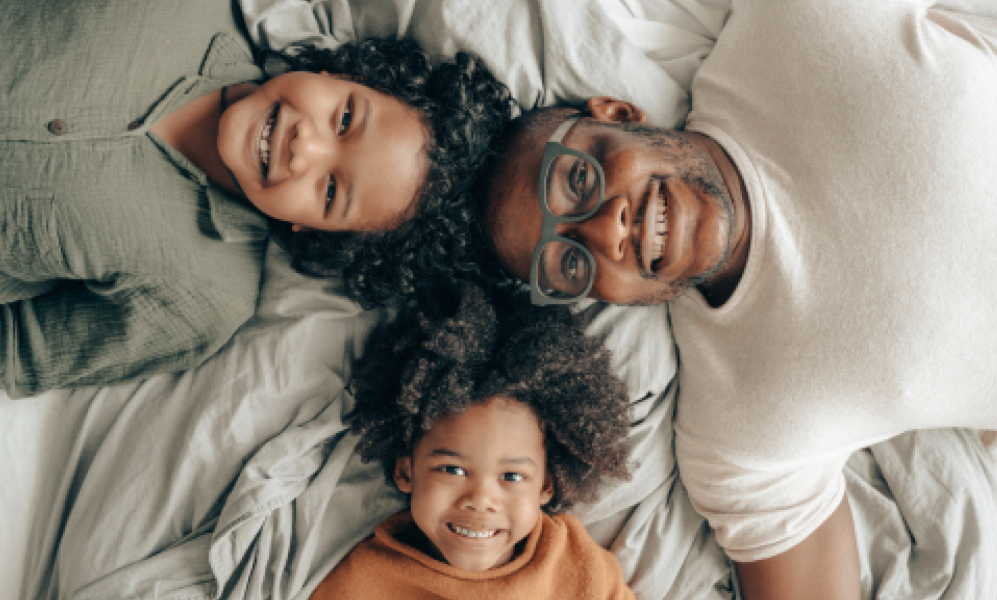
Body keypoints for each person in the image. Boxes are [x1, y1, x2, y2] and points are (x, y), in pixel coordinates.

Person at [478, 2, 997, 599]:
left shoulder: (794, 22)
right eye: (571, 262)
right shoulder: (736, 434)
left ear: (617, 114)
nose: (607, 230)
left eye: (576, 180)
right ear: (601, 300)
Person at [0, 0, 513, 397]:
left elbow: (19, 352)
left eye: (331, 190)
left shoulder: (202, 301)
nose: (304, 147)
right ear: (342, 74)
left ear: (314, 233)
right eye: (345, 119)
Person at [310, 282, 634, 599]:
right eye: (452, 470)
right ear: (406, 471)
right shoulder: (363, 580)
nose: (480, 499)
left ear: (546, 485)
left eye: (511, 477)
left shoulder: (575, 566)